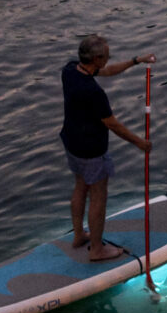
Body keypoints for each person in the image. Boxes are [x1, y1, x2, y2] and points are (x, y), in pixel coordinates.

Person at [60, 33, 154, 262]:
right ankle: (97, 250)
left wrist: (136, 61)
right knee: (98, 196)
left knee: (80, 186)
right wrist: (140, 142)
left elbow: (109, 71)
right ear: (98, 58)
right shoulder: (94, 92)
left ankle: (79, 235)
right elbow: (112, 124)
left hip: (71, 142)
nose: (109, 59)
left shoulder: (71, 70)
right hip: (92, 150)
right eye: (107, 56)